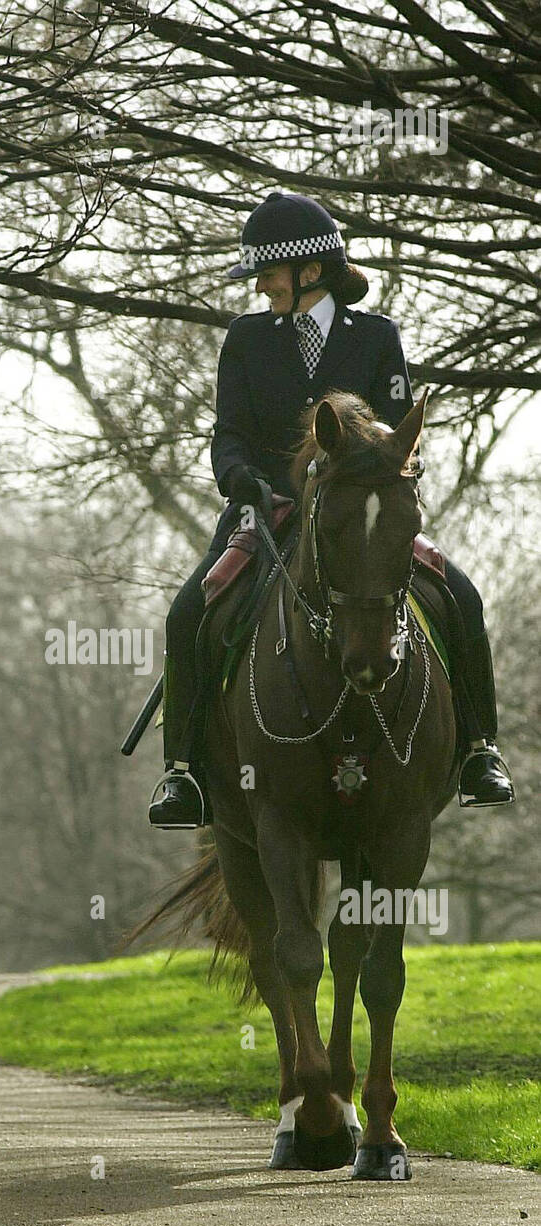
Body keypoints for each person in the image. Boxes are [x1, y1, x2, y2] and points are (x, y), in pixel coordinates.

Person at [149, 191, 514, 828]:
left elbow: (398, 431)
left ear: (309, 271)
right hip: (268, 509)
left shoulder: (378, 339)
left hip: (360, 511)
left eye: (268, 274)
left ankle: (482, 750)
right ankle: (183, 773)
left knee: (462, 596)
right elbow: (229, 431)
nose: (260, 287)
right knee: (189, 610)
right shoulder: (246, 338)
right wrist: (239, 478)